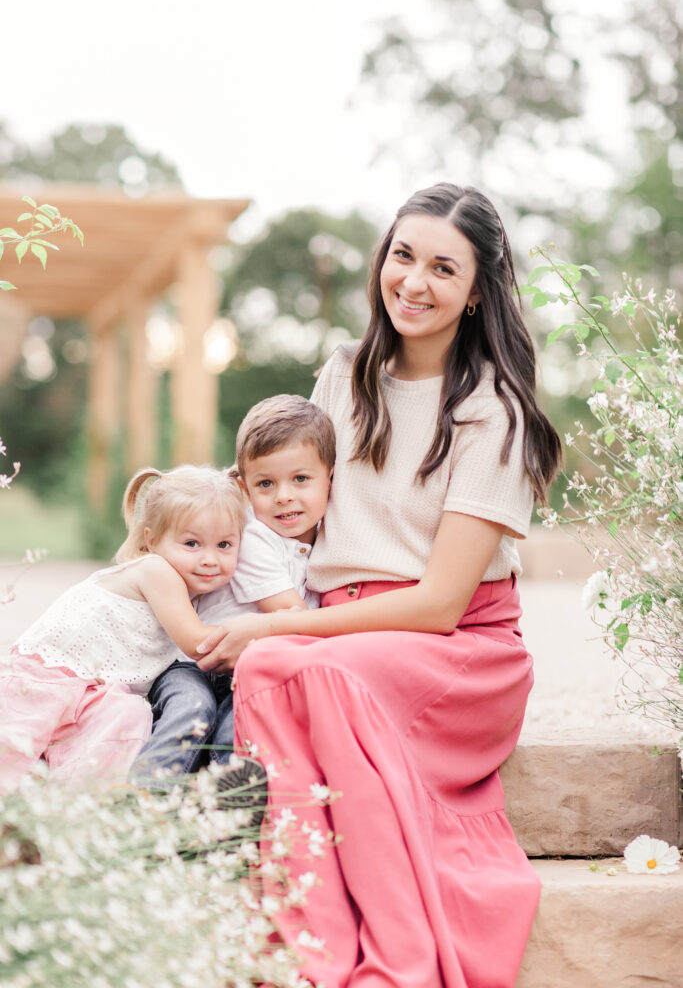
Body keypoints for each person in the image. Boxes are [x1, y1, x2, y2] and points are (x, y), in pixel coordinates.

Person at [196, 183, 562, 988]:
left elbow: (438, 603)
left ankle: (389, 962)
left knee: (283, 664)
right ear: (381, 261)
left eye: (443, 268)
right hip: (342, 634)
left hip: (454, 650)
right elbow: (292, 513)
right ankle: (305, 952)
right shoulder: (342, 374)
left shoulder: (492, 413)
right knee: (275, 668)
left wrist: (273, 630)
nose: (414, 282)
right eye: (403, 255)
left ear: (474, 294)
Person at [0, 465, 245, 795]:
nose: (210, 559)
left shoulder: (185, 580)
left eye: (225, 545)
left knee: (124, 722)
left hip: (91, 692)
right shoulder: (156, 570)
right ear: (152, 540)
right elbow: (198, 643)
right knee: (11, 760)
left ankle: (82, 810)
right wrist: (269, 631)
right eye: (191, 543)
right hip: (49, 678)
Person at [130, 395, 335, 784]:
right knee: (191, 712)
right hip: (193, 665)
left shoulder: (326, 544)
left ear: (331, 477)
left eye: (301, 479)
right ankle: (146, 794)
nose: (284, 496)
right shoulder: (253, 539)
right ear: (244, 489)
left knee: (236, 726)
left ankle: (221, 811)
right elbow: (294, 617)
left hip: (244, 671)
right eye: (266, 484)